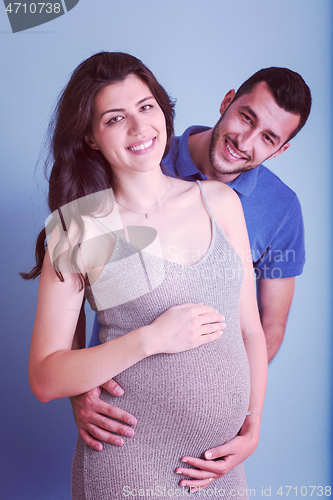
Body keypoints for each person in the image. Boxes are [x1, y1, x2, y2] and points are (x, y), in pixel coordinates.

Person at [26, 52, 267, 499]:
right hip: (129, 463)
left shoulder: (220, 202)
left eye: (146, 106)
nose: (140, 129)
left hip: (220, 467)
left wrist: (252, 423)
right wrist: (151, 338)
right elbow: (44, 376)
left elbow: (249, 330)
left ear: (162, 110)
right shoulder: (81, 227)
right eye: (115, 118)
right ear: (92, 138)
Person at [71, 66, 311, 456]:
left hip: (212, 446)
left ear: (280, 150)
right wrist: (79, 390)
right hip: (125, 421)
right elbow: (73, 294)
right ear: (227, 100)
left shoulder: (282, 209)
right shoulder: (141, 153)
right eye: (245, 117)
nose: (244, 141)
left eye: (267, 137)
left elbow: (268, 325)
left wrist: (240, 407)